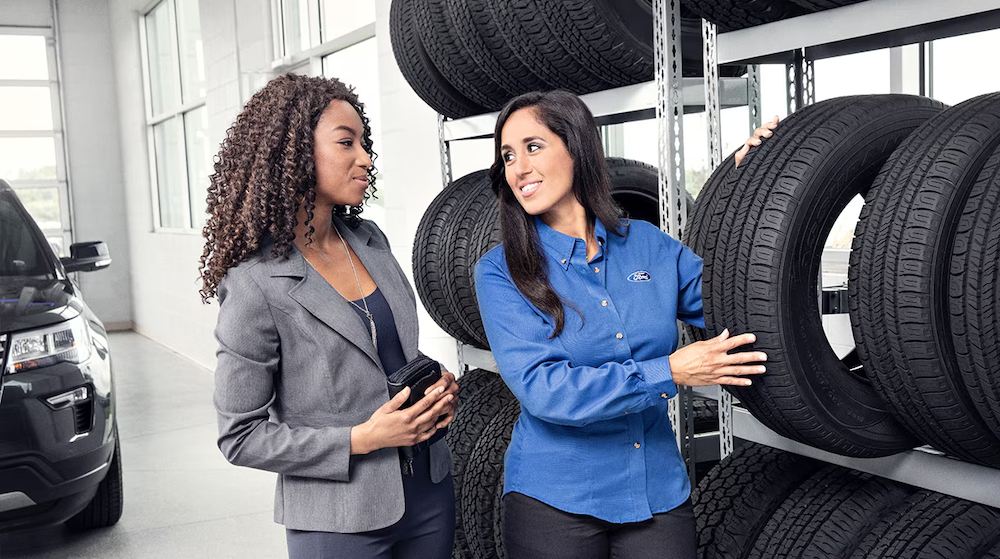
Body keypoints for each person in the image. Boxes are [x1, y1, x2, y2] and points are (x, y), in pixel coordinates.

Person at [473, 90, 769, 559]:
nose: (518, 168)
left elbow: (729, 301)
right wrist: (666, 371)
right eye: (508, 156)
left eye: (533, 147)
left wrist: (750, 190)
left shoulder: (648, 244)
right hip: (556, 500)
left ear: (576, 147)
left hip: (657, 491)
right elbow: (544, 389)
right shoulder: (500, 271)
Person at [198, 73, 458, 559]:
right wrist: (361, 439)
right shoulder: (255, 283)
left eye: (365, 143)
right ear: (292, 154)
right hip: (338, 520)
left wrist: (435, 384)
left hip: (429, 491)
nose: (365, 158)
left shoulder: (371, 240)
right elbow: (240, 436)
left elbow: (390, 352)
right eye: (346, 142)